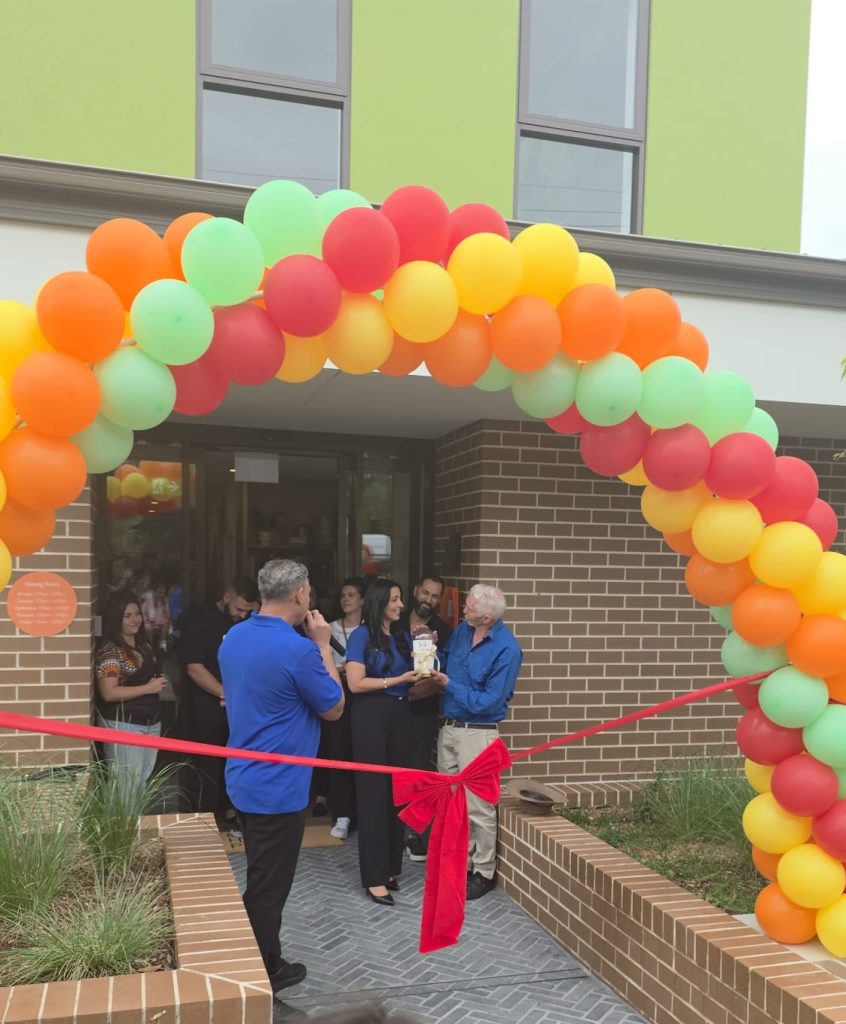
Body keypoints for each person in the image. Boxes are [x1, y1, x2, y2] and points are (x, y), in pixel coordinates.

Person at [220, 559, 344, 994]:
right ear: (298, 594)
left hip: (243, 777)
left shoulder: (234, 637)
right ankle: (259, 973)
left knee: (262, 877)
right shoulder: (299, 650)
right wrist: (323, 646)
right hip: (278, 787)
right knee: (268, 888)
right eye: (308, 589)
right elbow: (334, 707)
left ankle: (265, 958)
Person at [432, 584, 522, 901]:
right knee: (450, 802)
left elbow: (489, 702)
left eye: (469, 607)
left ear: (486, 618)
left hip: (478, 733)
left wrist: (449, 685)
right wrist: (428, 649)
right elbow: (443, 660)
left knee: (479, 807)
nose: (463, 610)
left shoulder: (507, 649)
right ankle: (461, 863)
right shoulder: (462, 632)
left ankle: (482, 872)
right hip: (450, 728)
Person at [346, 578, 420, 906]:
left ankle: (390, 868)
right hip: (370, 716)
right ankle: (374, 878)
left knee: (397, 793)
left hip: (402, 715)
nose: (400, 605)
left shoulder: (402, 636)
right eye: (394, 599)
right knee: (374, 794)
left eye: (400, 599)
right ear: (379, 602)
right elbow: (355, 683)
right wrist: (397, 680)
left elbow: (415, 675)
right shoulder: (361, 635)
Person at [178, 577, 258, 833]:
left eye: (248, 611)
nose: (242, 615)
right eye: (239, 608)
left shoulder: (246, 623)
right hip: (206, 710)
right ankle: (203, 820)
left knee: (235, 764)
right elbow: (194, 667)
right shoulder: (200, 620)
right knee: (206, 767)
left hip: (238, 710)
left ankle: (230, 811)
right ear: (226, 596)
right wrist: (224, 693)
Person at [94, 590, 168, 800]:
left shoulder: (143, 644)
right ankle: (123, 823)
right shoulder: (110, 651)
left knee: (141, 782)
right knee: (125, 786)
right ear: (115, 618)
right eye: (127, 616)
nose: (134, 620)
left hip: (150, 722)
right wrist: (147, 688)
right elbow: (108, 692)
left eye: (137, 614)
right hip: (124, 724)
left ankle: (135, 821)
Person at [400, 575, 452, 862]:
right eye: (425, 593)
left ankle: (414, 834)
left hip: (422, 711)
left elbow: (441, 678)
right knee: (390, 769)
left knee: (417, 772)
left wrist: (410, 694)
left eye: (434, 596)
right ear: (415, 591)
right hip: (390, 709)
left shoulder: (442, 631)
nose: (428, 600)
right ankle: (390, 829)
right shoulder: (394, 622)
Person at [324, 577, 365, 840]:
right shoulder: (328, 629)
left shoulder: (369, 629)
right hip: (337, 693)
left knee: (361, 755)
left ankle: (361, 813)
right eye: (343, 595)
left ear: (363, 600)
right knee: (339, 754)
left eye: (351, 595)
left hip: (362, 696)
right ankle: (341, 814)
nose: (345, 599)